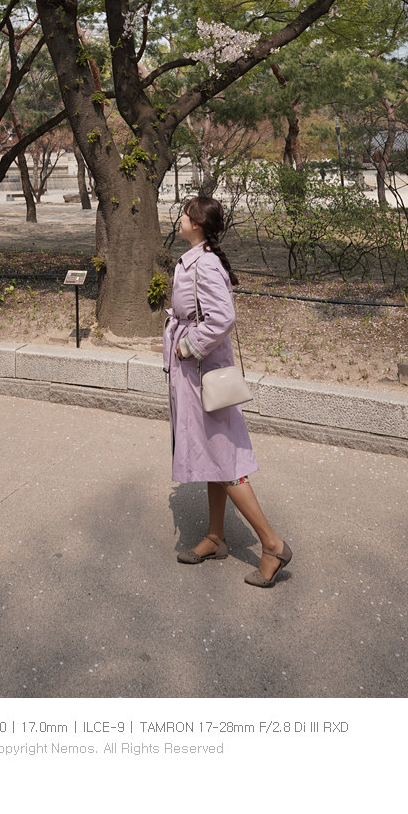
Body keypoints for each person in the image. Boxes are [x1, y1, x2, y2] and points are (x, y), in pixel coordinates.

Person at [163, 195, 292, 587]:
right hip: (195, 373)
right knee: (211, 454)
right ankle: (216, 537)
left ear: (198, 224)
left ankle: (272, 545)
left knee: (225, 459)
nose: (181, 218)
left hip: (203, 374)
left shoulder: (205, 263)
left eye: (186, 214)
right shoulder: (195, 259)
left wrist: (188, 345)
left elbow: (222, 317)